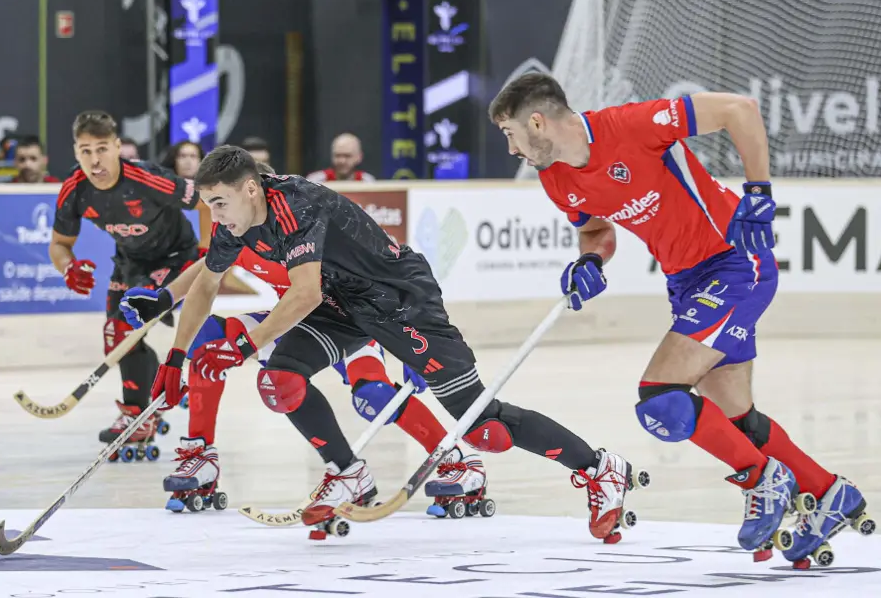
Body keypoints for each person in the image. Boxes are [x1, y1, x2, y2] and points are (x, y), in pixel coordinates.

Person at [149, 146, 639, 540]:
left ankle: (600, 469)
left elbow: (303, 293)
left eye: (219, 203)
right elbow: (205, 286)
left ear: (250, 188)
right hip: (343, 304)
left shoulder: (297, 205)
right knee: (280, 380)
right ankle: (347, 472)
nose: (214, 215)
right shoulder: (235, 224)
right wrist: (175, 357)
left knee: (483, 428)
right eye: (209, 205)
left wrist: (244, 345)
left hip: (401, 300)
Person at [489, 73, 873, 564]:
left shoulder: (630, 124)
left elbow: (740, 109)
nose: (511, 149)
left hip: (734, 262)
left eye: (511, 134)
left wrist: (758, 191)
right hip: (687, 284)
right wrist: (591, 260)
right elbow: (597, 230)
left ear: (538, 122)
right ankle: (829, 493)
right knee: (737, 420)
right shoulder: (556, 180)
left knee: (661, 398)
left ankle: (762, 479)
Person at [119, 164, 487, 517]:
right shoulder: (238, 232)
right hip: (294, 322)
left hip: (348, 318)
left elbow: (393, 275)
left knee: (374, 396)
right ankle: (201, 454)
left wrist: (415, 346)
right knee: (209, 341)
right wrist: (166, 305)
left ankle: (455, 457)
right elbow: (203, 274)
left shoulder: (304, 224)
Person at [51, 110, 200, 450]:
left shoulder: (147, 178)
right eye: (86, 151)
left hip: (176, 257)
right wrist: (68, 268)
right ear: (76, 152)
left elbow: (204, 201)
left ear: (118, 147)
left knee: (126, 330)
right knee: (115, 336)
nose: (95, 160)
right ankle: (147, 406)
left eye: (102, 149)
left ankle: (140, 411)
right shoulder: (75, 189)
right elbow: (59, 244)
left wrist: (207, 253)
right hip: (129, 262)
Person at [307, 133, 375, 183]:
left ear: (359, 157)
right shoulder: (316, 181)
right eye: (337, 155)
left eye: (347, 156)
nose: (342, 161)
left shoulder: (367, 182)